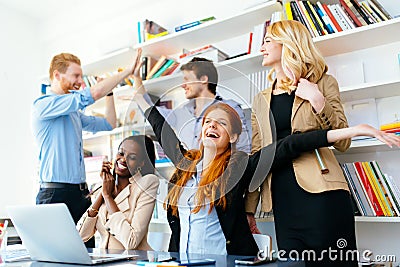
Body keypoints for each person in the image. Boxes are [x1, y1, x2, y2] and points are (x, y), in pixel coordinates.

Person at [131, 50, 400, 256]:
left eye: (221, 123)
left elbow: (291, 144)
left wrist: (354, 130)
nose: (212, 125)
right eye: (207, 122)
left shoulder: (240, 167)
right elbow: (159, 124)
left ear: (234, 136)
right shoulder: (185, 163)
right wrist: (137, 88)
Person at [244, 20, 356, 265]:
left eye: (268, 41)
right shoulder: (260, 99)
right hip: (281, 200)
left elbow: (343, 141)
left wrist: (317, 100)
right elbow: (257, 156)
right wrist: (249, 208)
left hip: (322, 194)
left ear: (288, 44)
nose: (262, 47)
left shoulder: (323, 82)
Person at [32, 52, 136, 227]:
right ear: (57, 75)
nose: (80, 81)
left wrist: (109, 93)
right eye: (76, 75)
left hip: (80, 194)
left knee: (86, 250)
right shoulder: (43, 105)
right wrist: (128, 71)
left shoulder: (73, 114)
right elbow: (92, 94)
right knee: (54, 254)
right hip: (55, 194)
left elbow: (109, 123)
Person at [141, 56, 251, 153]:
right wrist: (137, 82)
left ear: (203, 79)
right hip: (188, 175)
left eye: (187, 79)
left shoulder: (229, 108)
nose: (183, 86)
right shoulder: (181, 113)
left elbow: (243, 149)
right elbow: (153, 115)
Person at [78, 135, 159, 250]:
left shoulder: (147, 183)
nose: (123, 159)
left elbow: (131, 242)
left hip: (134, 262)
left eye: (132, 157)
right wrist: (103, 192)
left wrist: (108, 197)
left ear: (142, 163)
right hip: (105, 261)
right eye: (121, 153)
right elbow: (81, 236)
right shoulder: (103, 188)